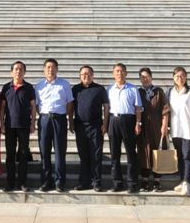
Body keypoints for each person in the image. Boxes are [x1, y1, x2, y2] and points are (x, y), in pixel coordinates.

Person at [35, 58, 74, 192]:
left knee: (60, 151)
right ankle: (46, 181)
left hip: (59, 120)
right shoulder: (39, 86)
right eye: (48, 67)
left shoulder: (64, 84)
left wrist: (64, 115)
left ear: (57, 69)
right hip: (44, 120)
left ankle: (59, 181)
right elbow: (36, 104)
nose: (50, 69)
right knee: (44, 151)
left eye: (53, 67)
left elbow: (70, 103)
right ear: (44, 69)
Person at [71, 65, 109, 192]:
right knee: (84, 156)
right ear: (80, 76)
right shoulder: (75, 89)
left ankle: (96, 181)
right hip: (80, 126)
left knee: (96, 155)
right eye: (84, 74)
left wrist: (105, 123)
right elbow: (70, 107)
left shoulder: (99, 89)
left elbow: (106, 106)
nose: (86, 76)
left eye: (89, 73)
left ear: (93, 75)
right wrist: (71, 122)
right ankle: (83, 182)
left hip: (96, 126)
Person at [0, 61, 36, 192]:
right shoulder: (6, 87)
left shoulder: (29, 87)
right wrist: (2, 123)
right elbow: (2, 107)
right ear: (11, 71)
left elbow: (33, 106)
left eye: (21, 69)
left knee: (23, 154)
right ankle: (10, 182)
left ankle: (22, 182)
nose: (18, 71)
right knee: (10, 155)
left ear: (24, 72)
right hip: (9, 126)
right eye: (16, 69)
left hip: (24, 125)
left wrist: (33, 123)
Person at [107, 63, 142, 194]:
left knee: (131, 153)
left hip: (128, 120)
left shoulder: (133, 88)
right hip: (113, 120)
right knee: (114, 153)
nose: (119, 73)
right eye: (117, 71)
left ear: (126, 73)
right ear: (113, 74)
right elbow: (106, 108)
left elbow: (138, 107)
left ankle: (132, 183)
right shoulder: (109, 89)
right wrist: (106, 124)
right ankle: (117, 182)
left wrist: (138, 123)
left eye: (122, 71)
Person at [136, 67, 170, 193]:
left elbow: (165, 110)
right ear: (140, 79)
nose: (145, 79)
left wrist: (164, 126)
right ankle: (145, 180)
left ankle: (157, 181)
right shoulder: (137, 92)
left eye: (147, 76)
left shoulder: (159, 91)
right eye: (143, 77)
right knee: (143, 151)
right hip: (142, 125)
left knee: (157, 150)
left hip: (156, 125)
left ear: (151, 77)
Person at [167, 67, 190, 196]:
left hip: (187, 129)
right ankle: (182, 180)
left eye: (182, 76)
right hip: (175, 130)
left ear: (186, 77)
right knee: (180, 156)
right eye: (177, 76)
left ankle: (187, 182)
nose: (180, 78)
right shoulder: (170, 92)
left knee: (187, 156)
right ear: (173, 78)